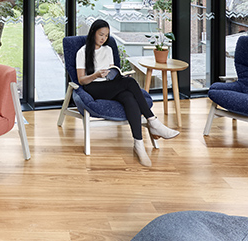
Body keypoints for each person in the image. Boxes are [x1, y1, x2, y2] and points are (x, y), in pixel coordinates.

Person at [76, 19, 179, 167]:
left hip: (109, 85)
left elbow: (112, 72)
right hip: (93, 87)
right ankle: (153, 121)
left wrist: (118, 76)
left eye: (106, 36)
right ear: (93, 32)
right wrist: (96, 75)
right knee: (130, 83)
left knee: (129, 96)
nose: (103, 38)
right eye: (101, 34)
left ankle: (139, 144)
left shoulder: (108, 50)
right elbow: (81, 80)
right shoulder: (82, 52)